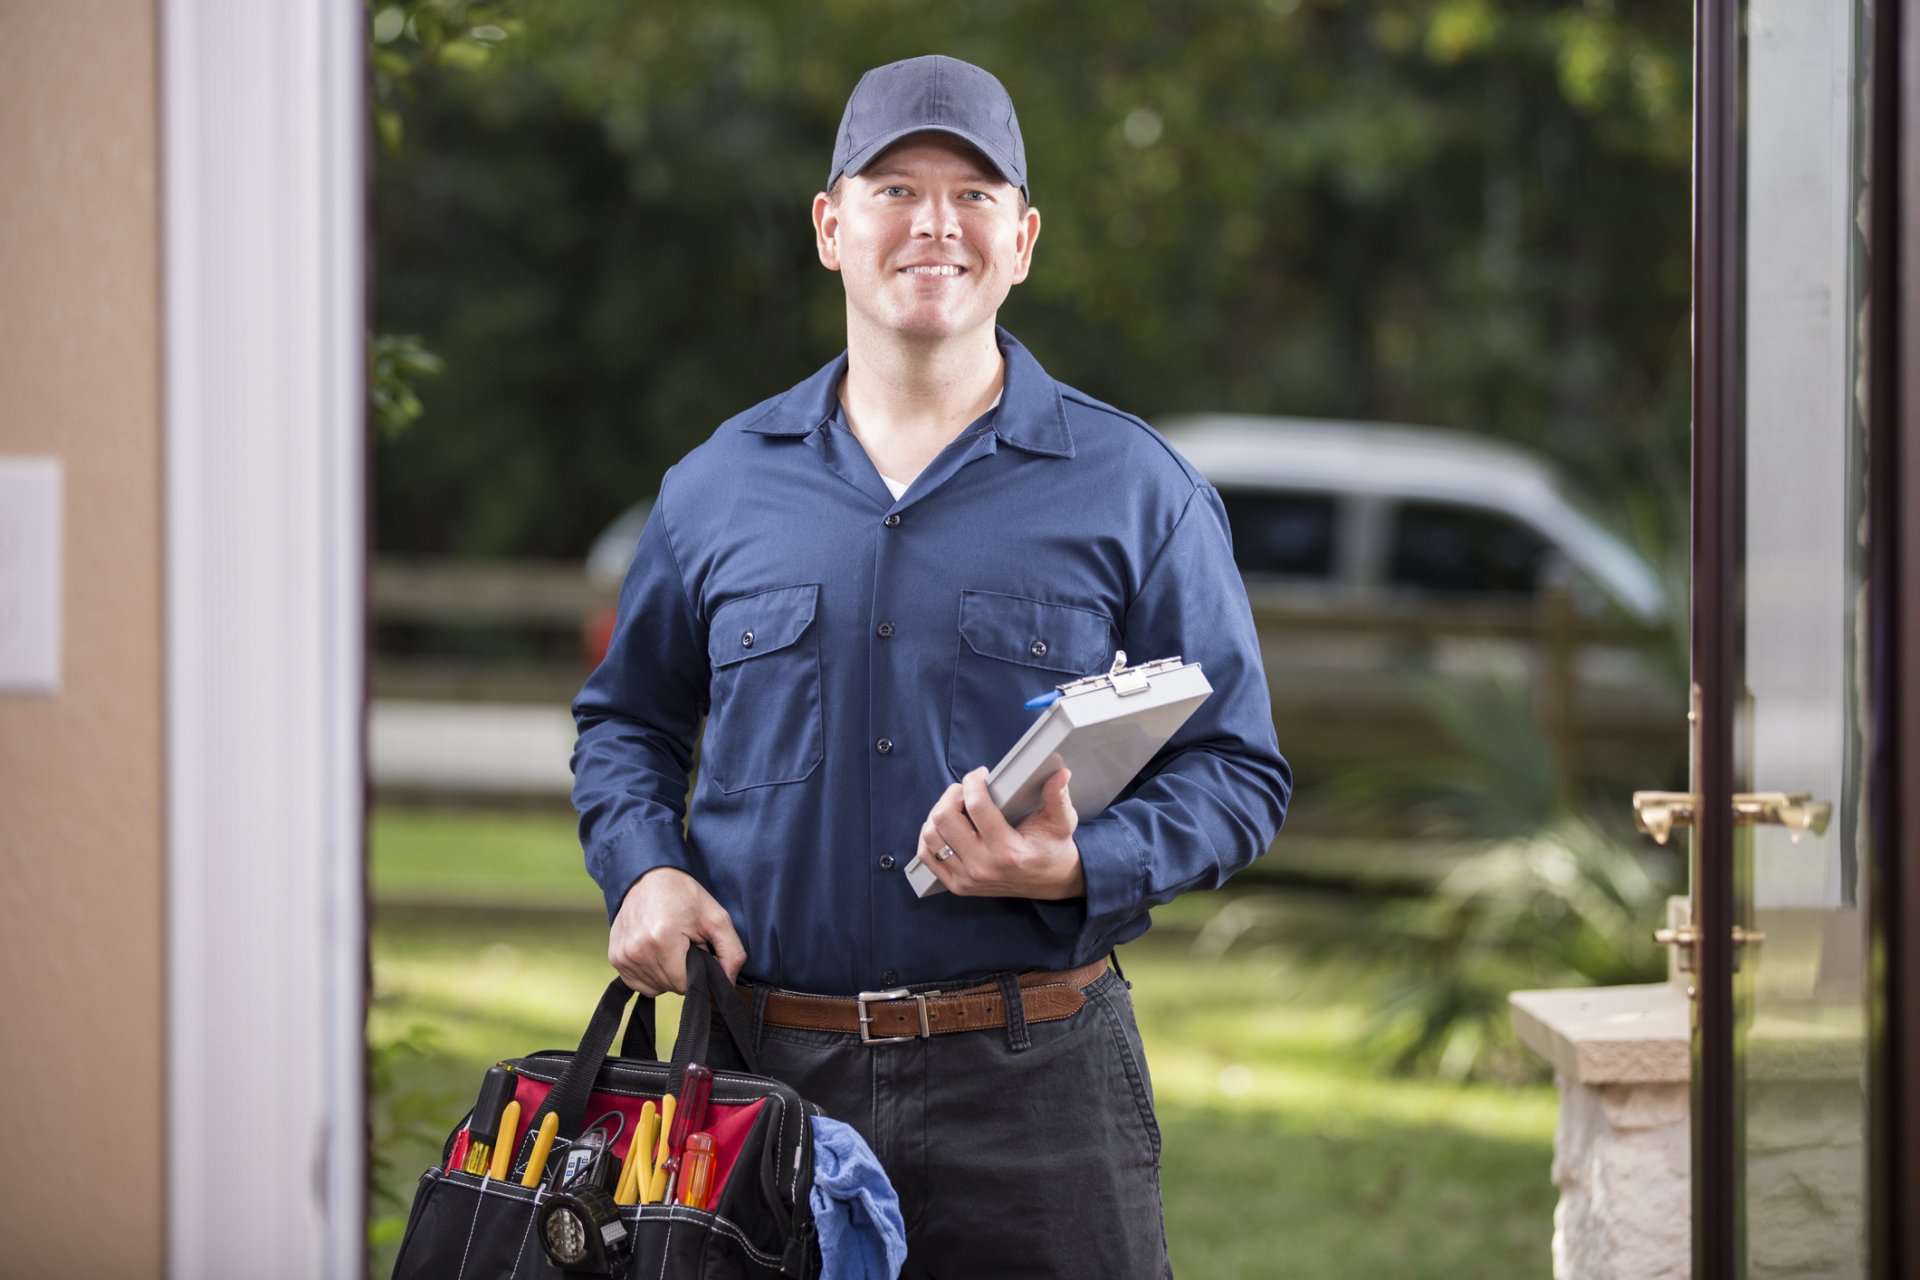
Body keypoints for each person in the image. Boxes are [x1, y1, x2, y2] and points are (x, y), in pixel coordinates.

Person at [572, 53, 1291, 1278]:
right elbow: (626, 725)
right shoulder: (715, 488)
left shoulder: (1138, 491)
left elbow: (1238, 772)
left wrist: (1081, 860)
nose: (933, 224)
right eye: (896, 187)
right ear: (830, 225)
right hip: (764, 1084)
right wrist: (643, 870)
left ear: (1022, 237)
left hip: (1040, 1094)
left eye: (972, 194)